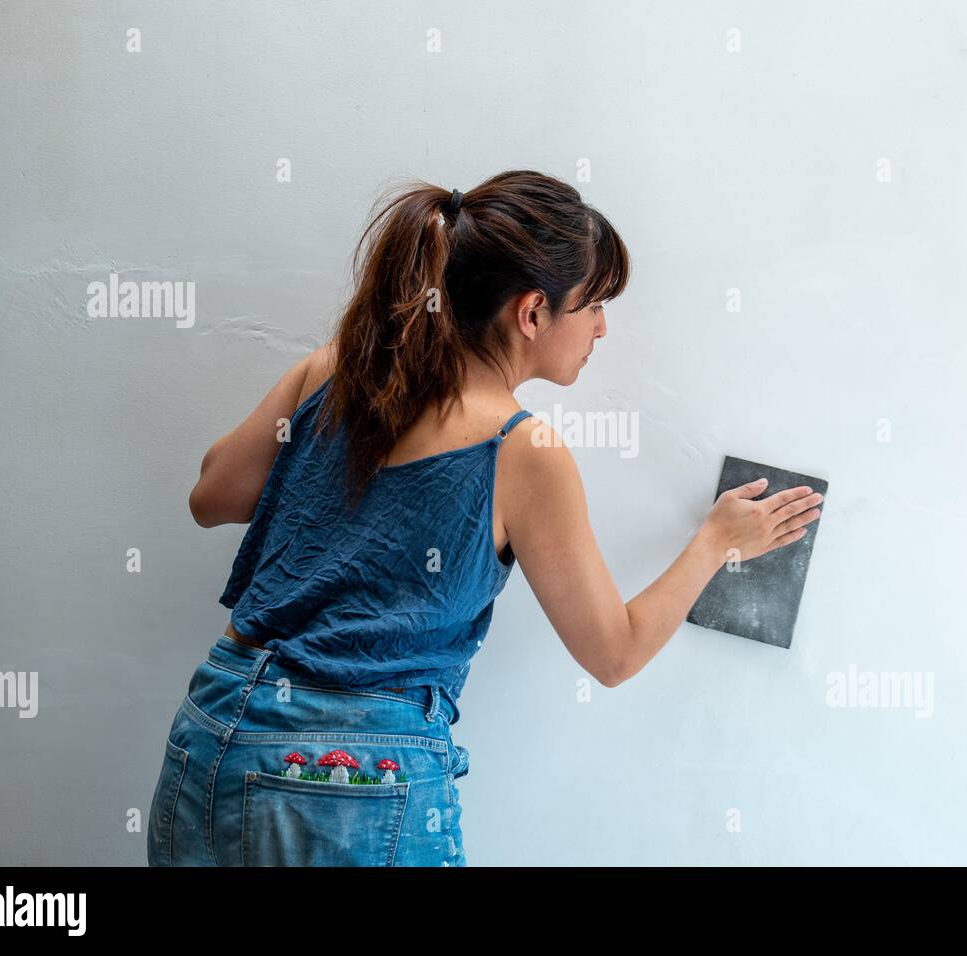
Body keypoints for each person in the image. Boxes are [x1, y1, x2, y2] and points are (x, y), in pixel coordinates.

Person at [145, 169, 824, 866]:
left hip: (213, 729)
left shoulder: (339, 369)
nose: (602, 327)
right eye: (592, 305)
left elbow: (213, 496)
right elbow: (612, 654)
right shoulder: (521, 449)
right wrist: (714, 542)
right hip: (348, 778)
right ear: (532, 313)